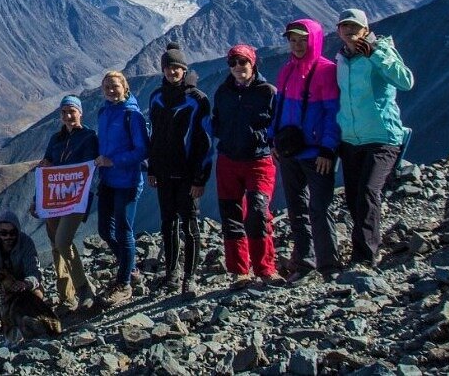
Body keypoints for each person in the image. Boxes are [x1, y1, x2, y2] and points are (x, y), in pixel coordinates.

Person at [335, 8, 414, 268]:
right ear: (338, 31)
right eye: (345, 27)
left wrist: (377, 54)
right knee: (354, 196)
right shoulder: (342, 59)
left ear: (365, 30)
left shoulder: (381, 51)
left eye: (354, 28)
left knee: (369, 192)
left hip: (382, 137)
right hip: (351, 139)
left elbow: (405, 81)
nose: (349, 32)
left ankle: (366, 256)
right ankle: (360, 251)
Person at [269, 19, 342, 283]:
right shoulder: (287, 71)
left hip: (316, 153)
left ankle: (329, 263)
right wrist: (272, 140)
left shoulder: (326, 71)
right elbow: (278, 110)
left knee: (320, 207)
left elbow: (333, 114)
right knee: (296, 208)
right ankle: (305, 262)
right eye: (293, 41)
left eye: (303, 40)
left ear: (313, 40)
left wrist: (328, 149)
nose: (298, 45)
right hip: (289, 152)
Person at [212, 44, 284, 289]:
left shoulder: (268, 92)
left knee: (258, 211)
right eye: (232, 63)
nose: (237, 67)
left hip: (258, 160)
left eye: (242, 62)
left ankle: (265, 268)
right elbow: (217, 122)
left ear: (253, 63)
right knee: (231, 215)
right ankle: (239, 271)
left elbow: (278, 122)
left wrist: (267, 141)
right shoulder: (223, 92)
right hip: (228, 159)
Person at [147, 43, 212, 297]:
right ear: (163, 70)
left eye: (177, 67)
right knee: (168, 224)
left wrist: (200, 177)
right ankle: (171, 274)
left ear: (184, 70)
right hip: (163, 173)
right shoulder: (156, 97)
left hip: (187, 175)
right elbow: (153, 136)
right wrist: (151, 168)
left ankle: (190, 277)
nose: (172, 72)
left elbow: (205, 142)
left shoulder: (197, 100)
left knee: (190, 225)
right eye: (168, 67)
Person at [32, 95, 100, 312]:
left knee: (63, 241)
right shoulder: (55, 139)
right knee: (55, 244)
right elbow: (47, 170)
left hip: (76, 200)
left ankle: (84, 290)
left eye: (72, 111)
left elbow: (89, 167)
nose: (68, 116)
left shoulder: (89, 137)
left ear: (80, 112)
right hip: (54, 199)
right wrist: (37, 199)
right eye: (64, 112)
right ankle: (65, 295)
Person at [95, 70, 149, 306]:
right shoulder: (104, 112)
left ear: (125, 87)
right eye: (106, 86)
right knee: (105, 230)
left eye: (115, 86)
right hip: (107, 181)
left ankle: (124, 282)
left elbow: (142, 151)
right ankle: (130, 267)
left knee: (123, 231)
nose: (110, 90)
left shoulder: (132, 115)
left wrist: (114, 161)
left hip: (126, 182)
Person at [0, 211, 42, 335]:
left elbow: (35, 272)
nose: (8, 237)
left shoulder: (26, 242)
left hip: (21, 284)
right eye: (4, 233)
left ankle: (21, 318)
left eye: (12, 233)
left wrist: (26, 283)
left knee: (37, 295)